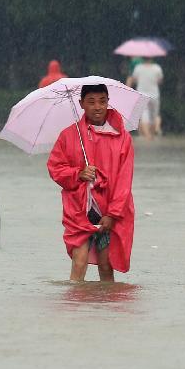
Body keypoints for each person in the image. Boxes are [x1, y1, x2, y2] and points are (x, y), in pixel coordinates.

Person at [47, 84, 135, 282]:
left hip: (108, 211)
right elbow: (55, 168)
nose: (97, 107)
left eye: (102, 101)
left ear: (108, 102)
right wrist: (78, 173)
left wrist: (112, 214)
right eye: (91, 102)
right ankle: (75, 310)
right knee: (79, 262)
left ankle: (105, 312)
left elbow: (124, 181)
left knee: (106, 265)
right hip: (78, 211)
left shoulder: (123, 139)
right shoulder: (69, 136)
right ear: (81, 104)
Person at [126, 57, 163, 139]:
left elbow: (135, 79)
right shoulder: (157, 68)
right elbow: (160, 81)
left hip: (142, 94)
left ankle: (147, 136)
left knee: (144, 115)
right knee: (154, 115)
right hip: (154, 95)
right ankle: (152, 135)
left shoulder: (138, 68)